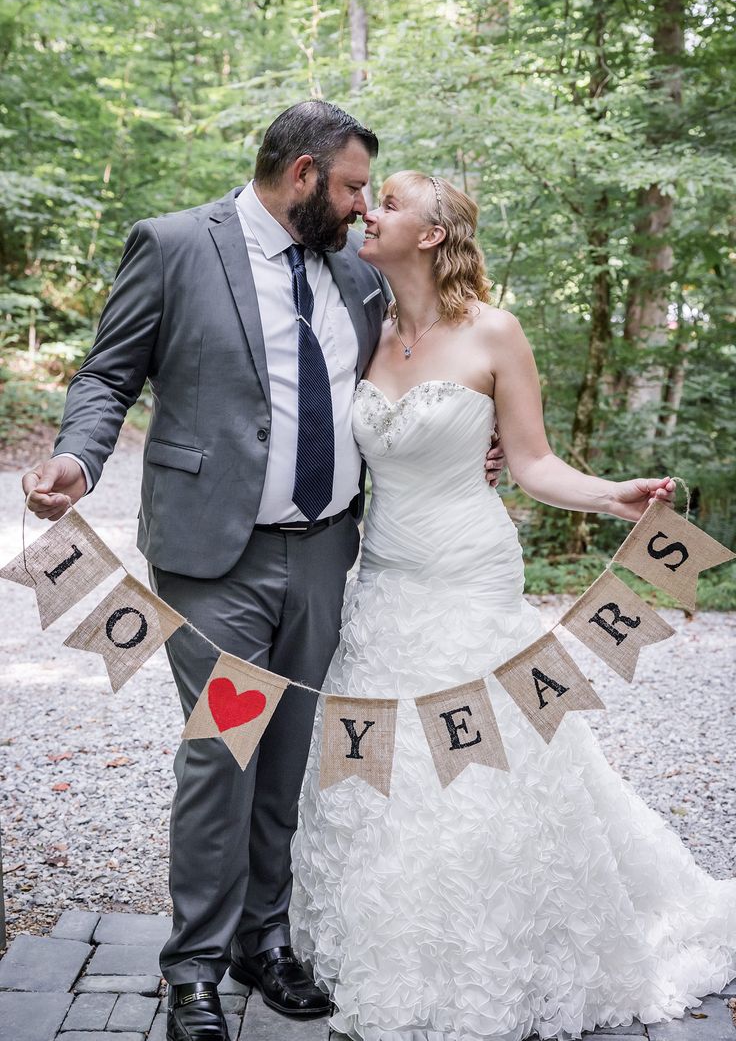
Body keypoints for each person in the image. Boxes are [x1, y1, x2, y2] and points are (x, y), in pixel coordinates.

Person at [20, 105, 505, 1041]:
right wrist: (78, 461)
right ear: (302, 176)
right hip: (216, 560)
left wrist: (470, 444)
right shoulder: (174, 246)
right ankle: (194, 968)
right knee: (224, 749)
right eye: (356, 186)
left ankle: (263, 940)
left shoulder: (355, 272)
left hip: (327, 552)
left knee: (288, 752)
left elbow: (420, 363)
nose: (366, 208)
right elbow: (106, 376)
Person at [290, 170, 736, 1041]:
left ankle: (507, 951)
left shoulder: (495, 332)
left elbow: (531, 463)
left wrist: (614, 495)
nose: (367, 210)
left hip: (471, 577)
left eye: (389, 200)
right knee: (380, 764)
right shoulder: (363, 327)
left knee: (487, 759)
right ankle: (392, 948)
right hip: (381, 584)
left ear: (429, 234)